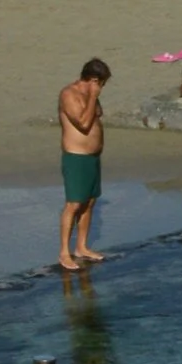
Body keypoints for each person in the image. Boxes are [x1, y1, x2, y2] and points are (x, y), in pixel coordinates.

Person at [58, 56, 109, 272]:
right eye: (101, 83)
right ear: (93, 80)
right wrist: (93, 97)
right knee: (74, 205)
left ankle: (81, 247)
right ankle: (64, 252)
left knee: (89, 202)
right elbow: (84, 123)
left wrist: (93, 98)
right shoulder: (69, 94)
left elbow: (98, 116)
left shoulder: (91, 95)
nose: (102, 88)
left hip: (92, 157)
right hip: (76, 157)